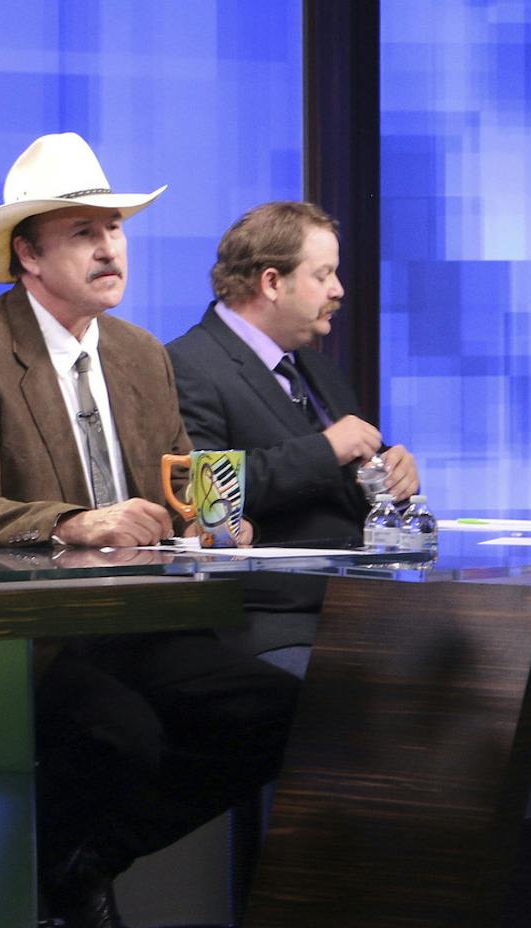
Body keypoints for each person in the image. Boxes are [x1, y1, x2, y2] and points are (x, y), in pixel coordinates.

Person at [0, 133, 298, 928]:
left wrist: (212, 524)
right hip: (21, 635)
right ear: (28, 254)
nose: (110, 247)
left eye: (115, 230)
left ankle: (76, 868)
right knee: (117, 732)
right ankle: (40, 892)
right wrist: (73, 522)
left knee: (275, 710)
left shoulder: (138, 354)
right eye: (85, 231)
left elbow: (183, 490)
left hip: (135, 621)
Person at [164, 201, 420, 671]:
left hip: (361, 610)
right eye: (323, 275)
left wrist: (393, 478)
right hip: (267, 620)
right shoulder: (186, 364)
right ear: (272, 282)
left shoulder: (318, 369)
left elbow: (352, 474)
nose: (338, 290)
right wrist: (327, 449)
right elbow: (210, 499)